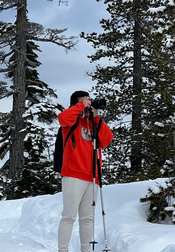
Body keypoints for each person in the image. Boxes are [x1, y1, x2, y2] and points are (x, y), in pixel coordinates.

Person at [57, 90, 114, 252]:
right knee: (68, 217)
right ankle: (62, 250)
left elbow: (107, 139)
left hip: (93, 176)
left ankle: (86, 250)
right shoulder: (71, 122)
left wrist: (96, 117)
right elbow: (62, 118)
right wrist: (80, 106)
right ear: (75, 104)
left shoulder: (94, 123)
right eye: (84, 103)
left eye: (89, 102)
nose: (87, 106)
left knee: (87, 218)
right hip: (73, 174)